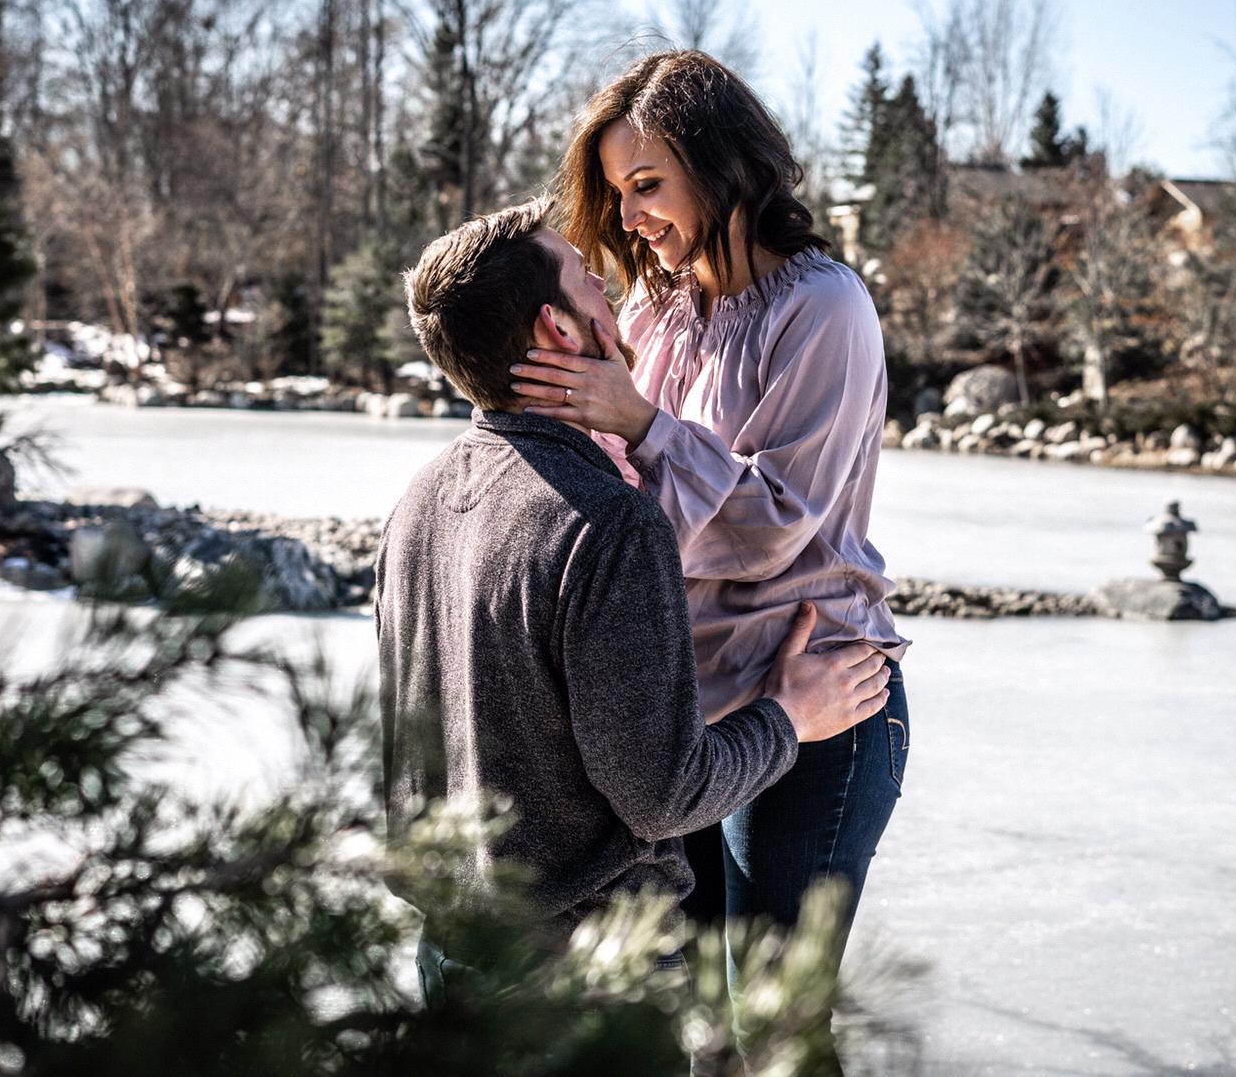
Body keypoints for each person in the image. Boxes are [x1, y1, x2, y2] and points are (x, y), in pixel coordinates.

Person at [377, 198, 891, 1003]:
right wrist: (791, 717)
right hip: (584, 978)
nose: (613, 290)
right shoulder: (607, 522)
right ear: (557, 329)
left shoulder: (419, 501)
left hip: (452, 953)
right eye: (589, 279)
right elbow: (665, 797)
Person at [511, 49, 910, 980]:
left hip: (817, 696)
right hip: (687, 720)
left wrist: (642, 423)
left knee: (770, 1025)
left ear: (721, 165)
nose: (629, 218)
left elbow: (773, 526)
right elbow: (617, 504)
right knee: (689, 1016)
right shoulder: (656, 314)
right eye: (617, 194)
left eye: (647, 184)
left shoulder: (823, 307)